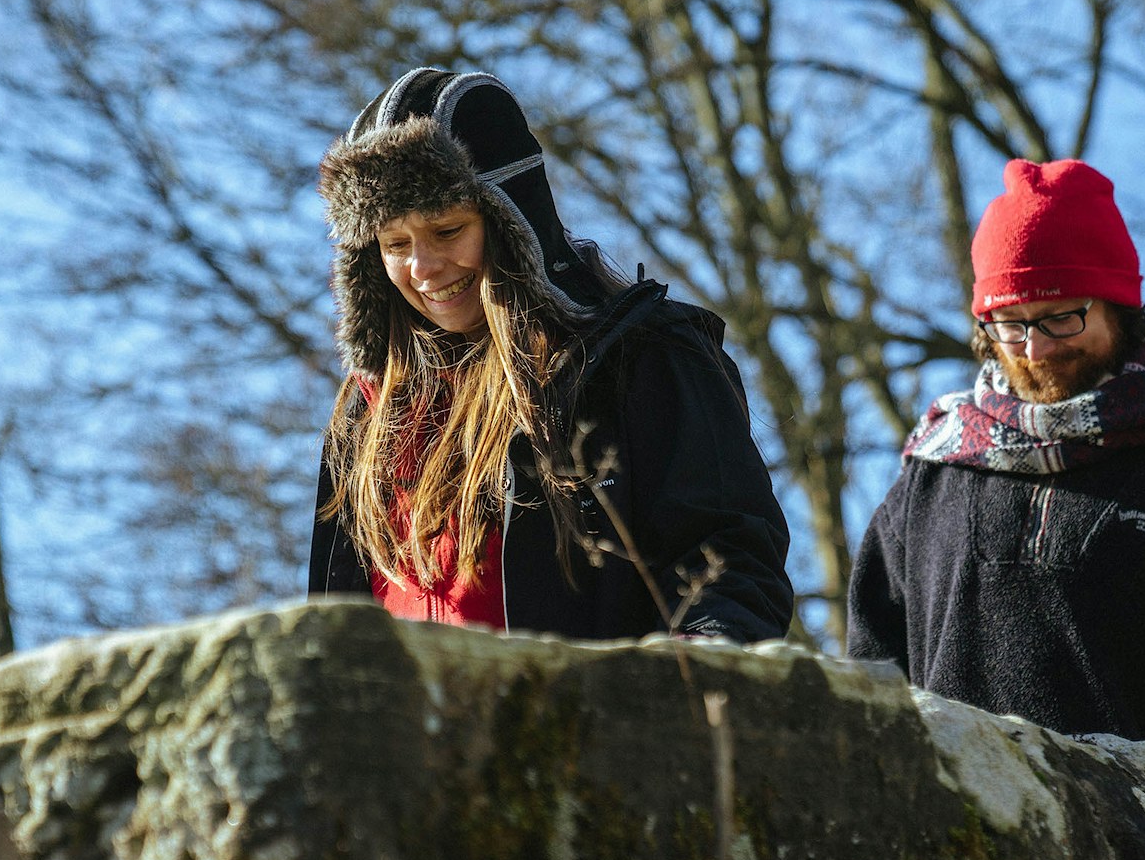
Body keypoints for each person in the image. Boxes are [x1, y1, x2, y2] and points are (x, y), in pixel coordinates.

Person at [307, 68, 793, 642]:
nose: (423, 268)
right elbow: (337, 625)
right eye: (394, 244)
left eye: (447, 229)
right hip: (416, 728)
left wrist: (678, 700)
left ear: (515, 222)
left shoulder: (638, 360)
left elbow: (727, 563)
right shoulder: (369, 413)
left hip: (591, 724)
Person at [848, 158, 1145, 756]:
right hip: (954, 835)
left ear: (1119, 306)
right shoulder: (935, 469)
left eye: (1062, 316)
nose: (1035, 348)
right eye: (1011, 323)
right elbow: (875, 676)